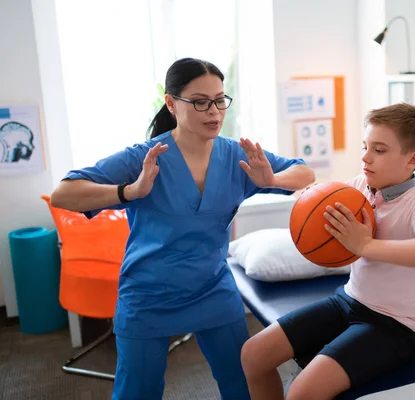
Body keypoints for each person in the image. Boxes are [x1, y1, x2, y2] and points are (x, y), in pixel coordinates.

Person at [50, 57, 315, 400]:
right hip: (148, 296)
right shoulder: (145, 158)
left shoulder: (237, 156)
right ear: (172, 104)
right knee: (138, 392)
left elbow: (305, 173)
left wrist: (272, 179)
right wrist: (130, 191)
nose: (214, 112)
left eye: (220, 100)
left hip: (212, 289)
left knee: (244, 383)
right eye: (201, 102)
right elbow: (63, 193)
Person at [240, 102, 415, 400]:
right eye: (365, 146)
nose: (365, 157)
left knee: (300, 393)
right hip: (348, 301)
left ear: (413, 159)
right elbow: (313, 191)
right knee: (254, 354)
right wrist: (273, 182)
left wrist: (366, 245)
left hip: (396, 325)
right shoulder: (358, 187)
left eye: (379, 150)